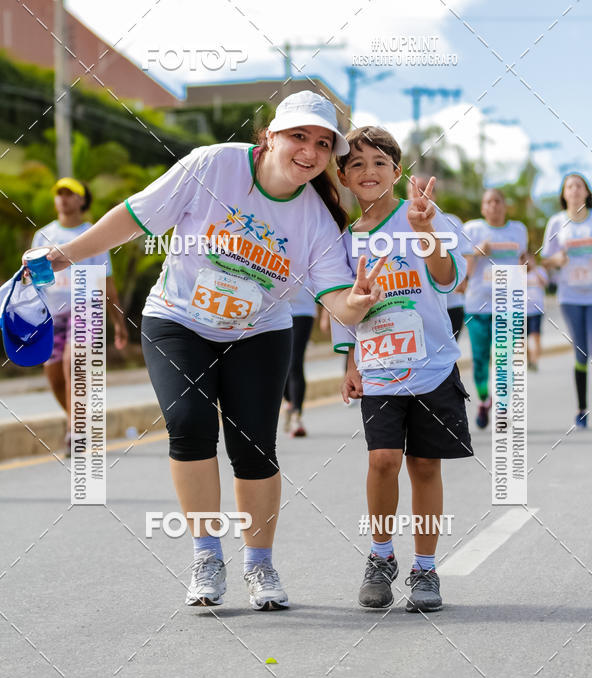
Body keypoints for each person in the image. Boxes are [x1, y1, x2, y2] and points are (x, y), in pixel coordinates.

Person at [39, 92, 387, 611]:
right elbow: (135, 216)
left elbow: (338, 300)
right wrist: (63, 255)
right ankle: (206, 557)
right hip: (177, 319)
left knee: (253, 448)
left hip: (259, 333)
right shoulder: (213, 165)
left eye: (322, 144)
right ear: (270, 135)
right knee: (189, 424)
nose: (310, 152)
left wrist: (357, 303)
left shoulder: (316, 219)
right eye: (299, 136)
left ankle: (260, 564)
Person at [331, 126, 473, 613]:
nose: (368, 171)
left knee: (426, 465)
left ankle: (426, 568)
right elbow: (342, 307)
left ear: (396, 171)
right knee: (382, 461)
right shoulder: (346, 239)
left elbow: (448, 278)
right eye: (356, 164)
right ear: (343, 177)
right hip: (379, 368)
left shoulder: (425, 215)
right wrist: (349, 361)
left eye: (379, 162)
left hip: (432, 366)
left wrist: (425, 230)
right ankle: (381, 556)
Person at [30, 178, 128, 455]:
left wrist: (119, 322)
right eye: (59, 193)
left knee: (73, 364)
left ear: (82, 200)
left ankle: (75, 432)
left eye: (69, 193)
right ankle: (79, 423)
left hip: (86, 307)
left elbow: (107, 282)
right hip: (52, 313)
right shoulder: (44, 236)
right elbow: (33, 281)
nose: (63, 198)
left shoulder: (93, 234)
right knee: (54, 375)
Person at [463, 189, 528, 428]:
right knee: (479, 360)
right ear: (483, 208)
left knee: (504, 359)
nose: (493, 205)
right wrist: (476, 252)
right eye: (488, 202)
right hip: (477, 305)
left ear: (504, 205)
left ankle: (502, 408)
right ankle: (484, 399)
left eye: (498, 201)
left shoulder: (518, 230)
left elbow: (524, 259)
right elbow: (462, 269)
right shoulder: (472, 230)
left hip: (507, 305)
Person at [541, 173, 592, 426]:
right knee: (581, 352)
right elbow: (545, 259)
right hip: (570, 296)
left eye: (579, 186)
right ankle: (582, 409)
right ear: (564, 194)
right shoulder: (556, 222)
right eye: (570, 186)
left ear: (587, 192)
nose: (575, 190)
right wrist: (557, 260)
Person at [414, 176, 466, 340]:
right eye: (414, 190)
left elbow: (466, 253)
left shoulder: (452, 221)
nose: (419, 194)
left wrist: (462, 281)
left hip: (452, 304)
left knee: (448, 349)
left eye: (423, 190)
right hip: (420, 308)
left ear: (434, 194)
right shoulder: (399, 224)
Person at [282, 279, 316, 437]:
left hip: (304, 312)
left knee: (295, 362)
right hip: (279, 313)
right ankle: (289, 401)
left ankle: (297, 415)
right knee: (280, 365)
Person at [525, 250, 548, 372]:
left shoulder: (540, 271)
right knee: (521, 340)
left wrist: (534, 269)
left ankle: (534, 361)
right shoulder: (517, 272)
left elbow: (545, 283)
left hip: (536, 310)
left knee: (536, 337)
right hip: (521, 311)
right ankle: (528, 359)